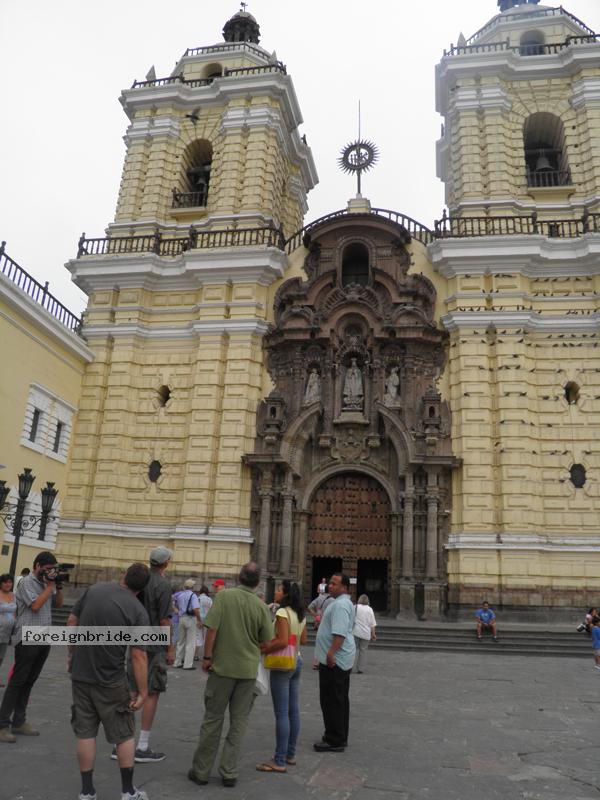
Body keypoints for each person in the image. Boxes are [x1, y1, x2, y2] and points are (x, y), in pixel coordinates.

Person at [68, 563, 151, 800]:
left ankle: (86, 792)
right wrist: (143, 692)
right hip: (112, 680)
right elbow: (138, 655)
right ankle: (127, 791)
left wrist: (71, 654)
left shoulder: (94, 589)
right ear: (142, 588)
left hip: (81, 675)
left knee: (85, 733)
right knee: (123, 734)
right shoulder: (137, 610)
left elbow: (72, 622)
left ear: (124, 575)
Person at [188, 562, 272, 788]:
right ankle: (229, 772)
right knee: (239, 723)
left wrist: (207, 658)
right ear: (257, 582)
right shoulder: (261, 606)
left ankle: (201, 771)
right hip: (247, 672)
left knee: (212, 720)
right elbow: (266, 642)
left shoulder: (224, 598)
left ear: (238, 577)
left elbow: (212, 629)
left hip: (222, 669)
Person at [0, 551, 63, 743]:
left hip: (44, 638)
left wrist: (58, 587)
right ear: (37, 566)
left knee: (29, 681)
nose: (49, 573)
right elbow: (35, 606)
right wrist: (50, 585)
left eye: (52, 570)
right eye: (46, 570)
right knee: (18, 681)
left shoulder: (47, 583)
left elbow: (58, 605)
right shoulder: (26, 582)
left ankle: (19, 722)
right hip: (27, 638)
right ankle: (2, 725)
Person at [126, 546, 174, 763]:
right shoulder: (163, 585)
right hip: (154, 643)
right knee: (151, 692)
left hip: (134, 638)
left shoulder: (139, 579)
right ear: (166, 563)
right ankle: (142, 745)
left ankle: (121, 742)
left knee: (132, 690)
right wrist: (170, 647)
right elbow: (165, 620)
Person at [256, 580, 307, 773]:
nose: (276, 592)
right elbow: (303, 639)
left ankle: (279, 760)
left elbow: (283, 641)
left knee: (282, 713)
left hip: (283, 664)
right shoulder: (299, 614)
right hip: (297, 661)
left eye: (278, 590)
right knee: (293, 711)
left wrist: (264, 647)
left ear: (284, 594)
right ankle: (290, 754)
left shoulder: (282, 612)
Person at [314, 573, 356, 753]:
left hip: (335, 661)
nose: (330, 586)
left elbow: (339, 634)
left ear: (345, 588)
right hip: (341, 659)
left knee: (331, 700)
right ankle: (339, 735)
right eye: (330, 583)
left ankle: (334, 739)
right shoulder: (344, 603)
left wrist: (330, 653)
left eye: (334, 584)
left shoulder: (339, 605)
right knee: (339, 700)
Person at [173, 579, 200, 670]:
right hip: (190, 619)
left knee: (180, 641)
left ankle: (177, 662)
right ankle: (188, 664)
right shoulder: (193, 595)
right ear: (192, 587)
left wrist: (177, 611)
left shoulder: (180, 595)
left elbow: (172, 602)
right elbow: (196, 609)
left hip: (181, 618)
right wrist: (199, 620)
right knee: (190, 642)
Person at [353, 594, 376, 674]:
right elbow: (372, 624)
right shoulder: (370, 609)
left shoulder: (355, 607)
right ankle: (360, 669)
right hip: (366, 633)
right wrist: (373, 634)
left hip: (355, 632)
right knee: (363, 651)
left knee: (353, 650)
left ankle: (349, 666)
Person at [0, 574, 17, 687]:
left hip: (6, 632)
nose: (8, 584)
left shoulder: (13, 595)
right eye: (5, 582)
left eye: (10, 582)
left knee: (1, 656)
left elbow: (15, 612)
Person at [194, 586, 212, 662]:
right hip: (207, 620)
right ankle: (206, 655)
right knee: (206, 638)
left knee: (198, 637)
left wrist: (199, 620)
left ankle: (196, 655)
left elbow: (195, 609)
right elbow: (212, 610)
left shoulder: (197, 598)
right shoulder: (209, 599)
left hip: (198, 619)